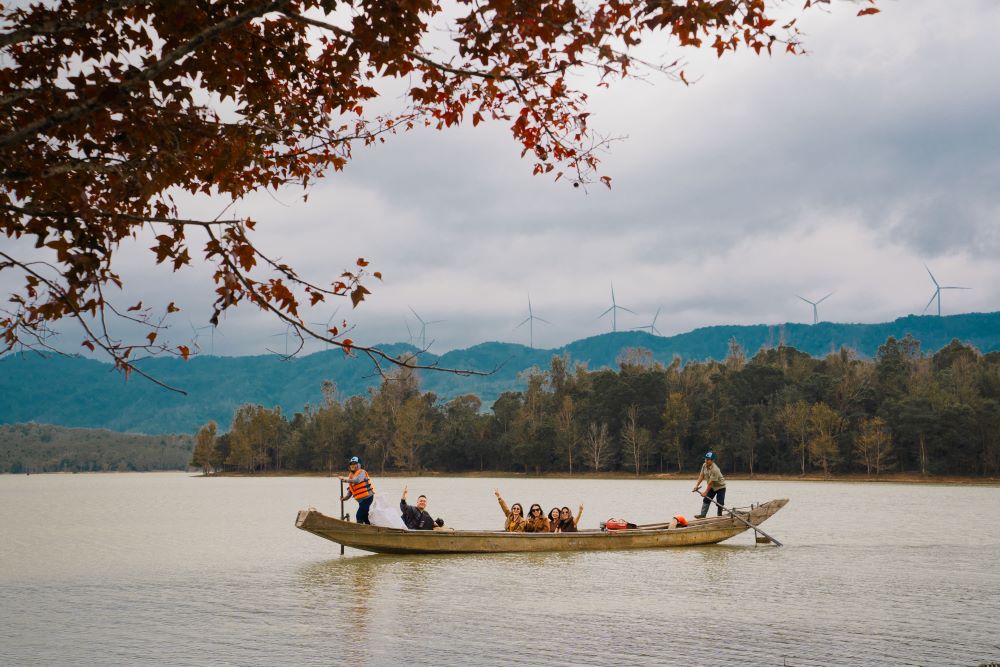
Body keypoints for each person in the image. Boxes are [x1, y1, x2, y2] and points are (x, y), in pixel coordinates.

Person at [339, 455, 374, 524]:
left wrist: (345, 480)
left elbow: (357, 480)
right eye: (351, 464)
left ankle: (359, 530)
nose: (352, 465)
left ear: (359, 465)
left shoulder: (362, 472)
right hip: (361, 501)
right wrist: (344, 498)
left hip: (367, 498)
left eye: (354, 464)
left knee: (359, 515)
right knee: (364, 516)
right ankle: (369, 528)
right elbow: (350, 492)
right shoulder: (351, 476)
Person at [693, 451, 726, 518]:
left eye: (708, 459)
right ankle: (702, 515)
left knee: (720, 503)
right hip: (712, 487)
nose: (706, 460)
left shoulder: (715, 469)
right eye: (705, 459)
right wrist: (696, 486)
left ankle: (719, 517)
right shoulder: (704, 465)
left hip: (720, 487)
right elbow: (701, 476)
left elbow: (711, 483)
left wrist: (705, 492)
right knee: (706, 500)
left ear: (712, 460)